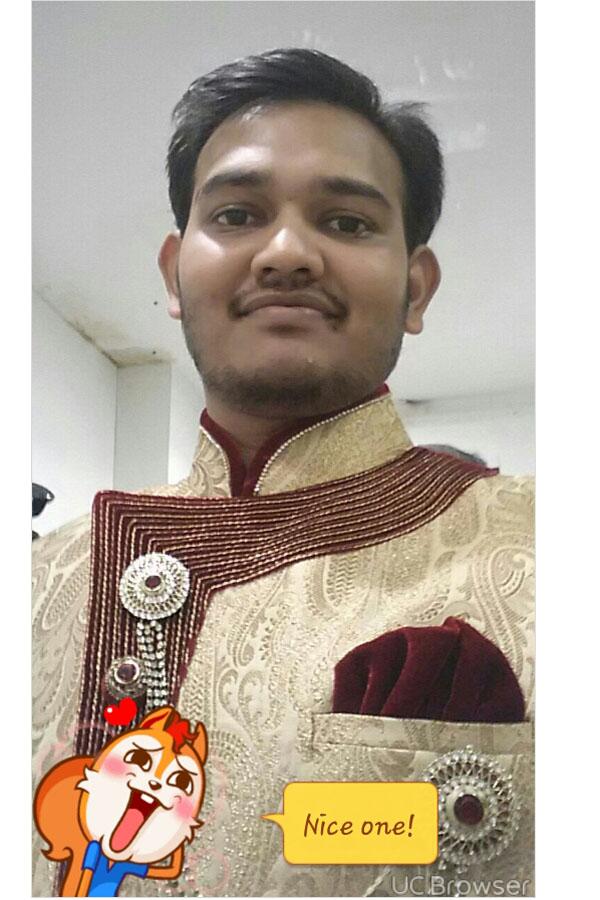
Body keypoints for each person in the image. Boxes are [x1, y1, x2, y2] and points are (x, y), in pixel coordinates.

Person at [32, 49, 533, 897]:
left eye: (347, 222)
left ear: (416, 289)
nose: (288, 252)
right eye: (236, 214)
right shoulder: (40, 577)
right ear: (174, 275)